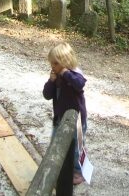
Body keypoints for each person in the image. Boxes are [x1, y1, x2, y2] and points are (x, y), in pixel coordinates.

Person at [42, 42, 87, 186]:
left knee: (76, 147)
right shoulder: (56, 77)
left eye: (56, 63)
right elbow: (47, 95)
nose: (52, 67)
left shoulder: (75, 74)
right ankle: (58, 168)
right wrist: (51, 81)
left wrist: (66, 73)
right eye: (51, 63)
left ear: (65, 62)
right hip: (60, 118)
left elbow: (79, 84)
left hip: (76, 119)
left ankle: (78, 171)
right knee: (56, 143)